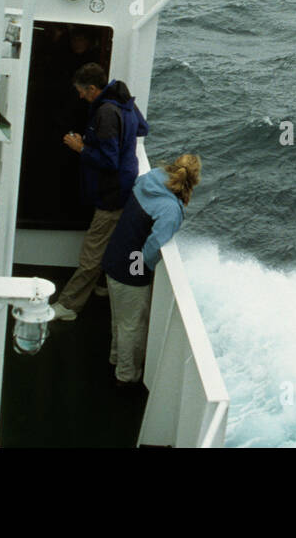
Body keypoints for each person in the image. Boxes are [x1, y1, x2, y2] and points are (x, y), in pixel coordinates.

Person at [50, 62, 149, 321]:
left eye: (81, 91)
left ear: (92, 88)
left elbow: (109, 161)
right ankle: (102, 286)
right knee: (110, 242)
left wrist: (80, 147)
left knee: (91, 252)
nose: (80, 96)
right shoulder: (124, 101)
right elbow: (142, 128)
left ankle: (69, 305)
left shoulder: (105, 113)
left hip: (112, 193)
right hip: (127, 184)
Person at [101, 154, 201, 387]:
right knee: (132, 326)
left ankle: (115, 358)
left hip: (113, 256)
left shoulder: (150, 178)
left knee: (120, 318)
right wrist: (143, 271)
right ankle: (126, 377)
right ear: (193, 181)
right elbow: (152, 247)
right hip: (129, 269)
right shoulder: (170, 209)